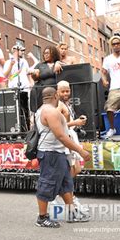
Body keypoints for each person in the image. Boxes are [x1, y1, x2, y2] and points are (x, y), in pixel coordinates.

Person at [35, 88, 91, 227]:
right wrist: (80, 151)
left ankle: (72, 213)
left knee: (65, 184)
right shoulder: (51, 112)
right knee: (47, 184)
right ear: (55, 95)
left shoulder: (41, 110)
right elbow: (61, 136)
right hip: (51, 153)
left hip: (56, 153)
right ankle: (42, 218)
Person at [4, 44, 33, 130]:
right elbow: (5, 75)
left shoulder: (24, 61)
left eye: (23, 50)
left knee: (26, 109)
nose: (23, 52)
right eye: (21, 50)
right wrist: (11, 65)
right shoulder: (8, 62)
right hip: (14, 88)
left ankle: (26, 128)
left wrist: (31, 82)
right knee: (16, 109)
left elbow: (28, 73)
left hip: (25, 88)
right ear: (15, 51)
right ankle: (16, 128)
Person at [29, 45, 63, 113]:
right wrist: (34, 74)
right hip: (39, 92)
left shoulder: (59, 64)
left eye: (48, 53)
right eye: (44, 53)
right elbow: (35, 78)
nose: (45, 55)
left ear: (53, 53)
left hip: (54, 92)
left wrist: (57, 63)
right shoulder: (40, 65)